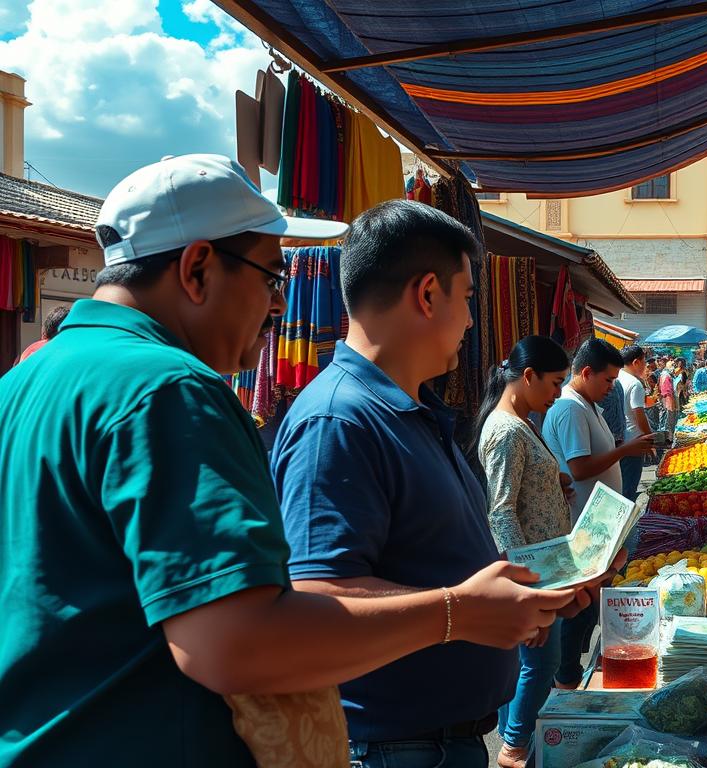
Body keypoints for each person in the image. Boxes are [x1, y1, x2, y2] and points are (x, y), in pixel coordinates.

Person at [0, 155, 560, 766]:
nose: (277, 306)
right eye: (272, 277)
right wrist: (457, 613)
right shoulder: (170, 388)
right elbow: (233, 644)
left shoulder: (26, 384)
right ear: (197, 270)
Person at [271, 200, 599, 768]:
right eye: (468, 297)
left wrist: (525, 597)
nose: (472, 319)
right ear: (427, 295)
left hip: (440, 742)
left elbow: (437, 563)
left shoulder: (411, 408)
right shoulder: (338, 421)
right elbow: (316, 602)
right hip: (393, 748)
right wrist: (464, 611)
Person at [476, 335, 575, 768]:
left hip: (542, 566)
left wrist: (555, 485)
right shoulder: (506, 431)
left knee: (522, 663)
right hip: (531, 573)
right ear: (528, 376)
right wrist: (521, 586)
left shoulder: (522, 424)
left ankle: (515, 736)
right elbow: (500, 512)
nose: (558, 394)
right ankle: (513, 747)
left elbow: (520, 494)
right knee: (542, 659)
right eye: (554, 384)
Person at [543, 338, 656, 689]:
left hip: (599, 522)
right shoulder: (571, 409)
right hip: (582, 524)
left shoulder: (586, 404)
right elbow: (579, 468)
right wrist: (627, 451)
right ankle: (565, 678)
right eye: (607, 381)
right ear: (587, 372)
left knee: (588, 605)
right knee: (580, 607)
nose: (611, 389)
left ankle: (570, 673)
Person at [617, 344, 654, 500]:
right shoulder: (634, 383)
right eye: (644, 362)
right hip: (633, 440)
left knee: (621, 485)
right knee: (629, 488)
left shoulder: (616, 377)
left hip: (618, 441)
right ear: (636, 362)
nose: (645, 366)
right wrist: (650, 439)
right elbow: (639, 414)